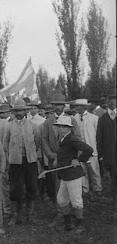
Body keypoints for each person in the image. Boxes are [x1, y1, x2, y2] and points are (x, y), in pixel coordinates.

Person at [41, 93, 81, 224]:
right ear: (52, 106)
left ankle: (76, 214)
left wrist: (74, 157)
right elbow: (44, 139)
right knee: (58, 187)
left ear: (64, 106)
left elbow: (78, 139)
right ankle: (61, 214)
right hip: (55, 159)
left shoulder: (71, 120)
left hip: (69, 161)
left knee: (72, 187)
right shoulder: (48, 121)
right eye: (55, 105)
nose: (58, 107)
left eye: (60, 105)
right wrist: (50, 154)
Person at [4, 99, 41, 226]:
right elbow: (6, 143)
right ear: (13, 112)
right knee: (16, 188)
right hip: (15, 162)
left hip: (30, 161)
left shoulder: (33, 125)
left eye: (21, 111)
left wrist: (31, 153)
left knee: (32, 187)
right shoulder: (9, 126)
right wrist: (11, 157)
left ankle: (30, 215)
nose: (19, 113)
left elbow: (37, 142)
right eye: (16, 111)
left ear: (26, 111)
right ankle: (15, 215)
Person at [53, 116, 93, 233]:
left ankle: (79, 225)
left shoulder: (72, 139)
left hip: (73, 175)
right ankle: (68, 223)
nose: (61, 129)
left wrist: (79, 160)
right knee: (61, 200)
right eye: (59, 126)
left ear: (69, 128)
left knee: (76, 201)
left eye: (64, 127)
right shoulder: (62, 139)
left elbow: (88, 149)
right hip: (64, 174)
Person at [71, 99, 102, 194]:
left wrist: (97, 147)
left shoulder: (94, 118)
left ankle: (97, 188)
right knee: (82, 169)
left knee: (94, 170)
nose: (77, 108)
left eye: (79, 106)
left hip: (91, 148)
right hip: (80, 149)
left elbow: (98, 134)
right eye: (76, 106)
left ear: (85, 107)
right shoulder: (74, 119)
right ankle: (85, 188)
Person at [96, 94, 117, 219]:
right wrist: (102, 156)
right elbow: (99, 139)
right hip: (111, 158)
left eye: (114, 99)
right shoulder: (103, 119)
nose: (112, 102)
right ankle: (115, 208)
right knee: (114, 182)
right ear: (106, 103)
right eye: (110, 100)